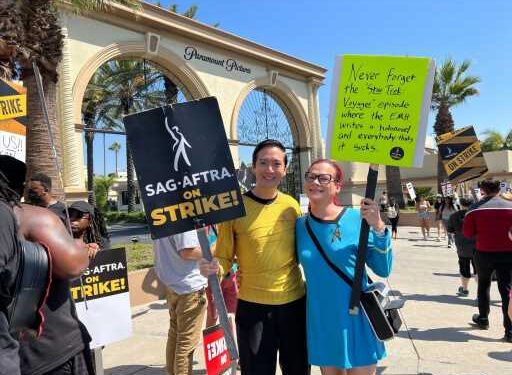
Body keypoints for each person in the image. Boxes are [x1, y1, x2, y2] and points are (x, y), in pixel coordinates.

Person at [200, 139, 309, 375]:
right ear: (253, 167)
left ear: (285, 169)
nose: (269, 169)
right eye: (263, 163)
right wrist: (213, 269)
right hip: (253, 308)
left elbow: (305, 250)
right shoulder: (236, 208)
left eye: (276, 163)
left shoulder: (292, 206)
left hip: (294, 305)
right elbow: (223, 256)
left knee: (299, 369)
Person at [296, 159, 392, 375]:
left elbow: (383, 268)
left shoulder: (357, 219)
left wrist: (378, 227)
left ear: (337, 186)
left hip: (357, 315)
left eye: (324, 178)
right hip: (322, 319)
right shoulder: (299, 226)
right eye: (311, 176)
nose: (315, 182)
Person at [0, 156, 89, 375]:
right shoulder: (30, 216)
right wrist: (81, 246)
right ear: (19, 187)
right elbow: (73, 265)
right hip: (48, 349)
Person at [19, 198, 100, 375]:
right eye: (70, 215)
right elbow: (73, 265)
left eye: (79, 216)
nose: (73, 220)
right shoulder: (33, 218)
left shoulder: (31, 219)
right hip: (46, 351)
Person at [463, 179, 512, 342]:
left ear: (482, 190)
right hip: (508, 253)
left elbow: (468, 233)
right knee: (507, 290)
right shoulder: (510, 206)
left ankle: (483, 318)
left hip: (484, 252)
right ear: (499, 189)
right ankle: (510, 329)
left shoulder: (474, 209)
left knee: (483, 285)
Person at [153, 229, 207, 375]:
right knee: (186, 344)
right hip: (189, 286)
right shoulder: (182, 213)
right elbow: (187, 252)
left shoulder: (161, 210)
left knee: (175, 335)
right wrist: (214, 249)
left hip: (173, 282)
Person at [447, 198, 476, 297]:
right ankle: (480, 294)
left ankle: (464, 289)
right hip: (477, 245)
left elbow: (450, 230)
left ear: (461, 204)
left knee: (464, 268)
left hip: (462, 246)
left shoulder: (454, 216)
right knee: (478, 270)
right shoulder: (476, 215)